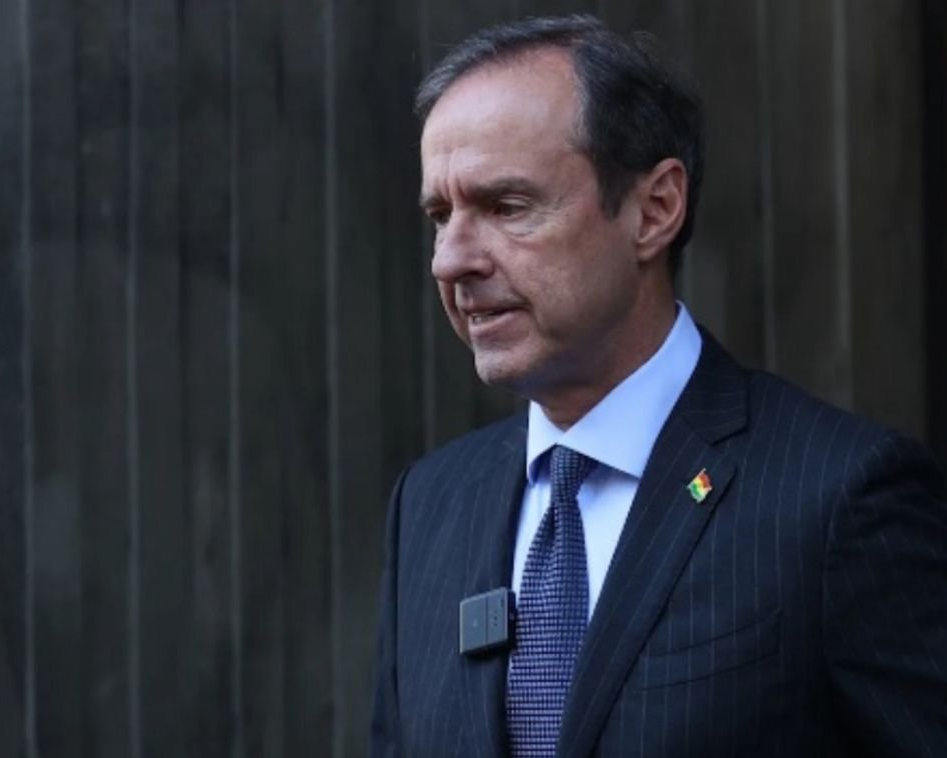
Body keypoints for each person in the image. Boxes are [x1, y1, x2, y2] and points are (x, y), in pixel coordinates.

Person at [370, 14, 947, 758]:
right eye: (440, 216)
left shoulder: (838, 495)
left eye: (507, 207)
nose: (450, 261)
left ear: (655, 210)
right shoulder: (429, 505)